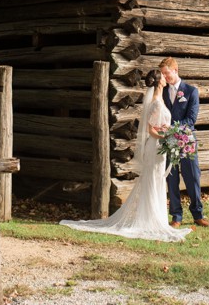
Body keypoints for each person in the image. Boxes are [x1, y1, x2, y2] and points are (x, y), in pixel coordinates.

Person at [60, 69, 191, 242]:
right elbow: (150, 129)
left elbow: (159, 126)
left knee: (157, 179)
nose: (166, 78)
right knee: (152, 178)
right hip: (156, 145)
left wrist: (168, 134)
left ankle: (157, 218)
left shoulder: (159, 100)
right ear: (160, 82)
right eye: (163, 76)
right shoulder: (157, 103)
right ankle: (150, 219)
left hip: (161, 147)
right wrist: (166, 136)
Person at [160, 57, 209, 228]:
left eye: (167, 73)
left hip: (187, 140)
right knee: (171, 178)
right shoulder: (162, 92)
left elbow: (191, 119)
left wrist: (172, 127)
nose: (165, 77)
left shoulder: (190, 91)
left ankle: (198, 213)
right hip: (169, 142)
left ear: (175, 70)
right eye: (163, 74)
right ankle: (176, 216)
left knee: (193, 177)